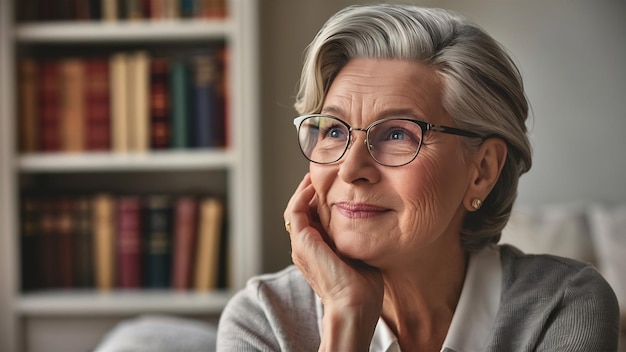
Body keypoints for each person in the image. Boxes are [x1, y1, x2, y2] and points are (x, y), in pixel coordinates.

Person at [217, 4, 620, 351]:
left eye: (397, 134)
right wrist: (346, 320)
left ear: (482, 172)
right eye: (334, 130)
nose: (351, 169)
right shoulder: (264, 318)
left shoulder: (563, 305)